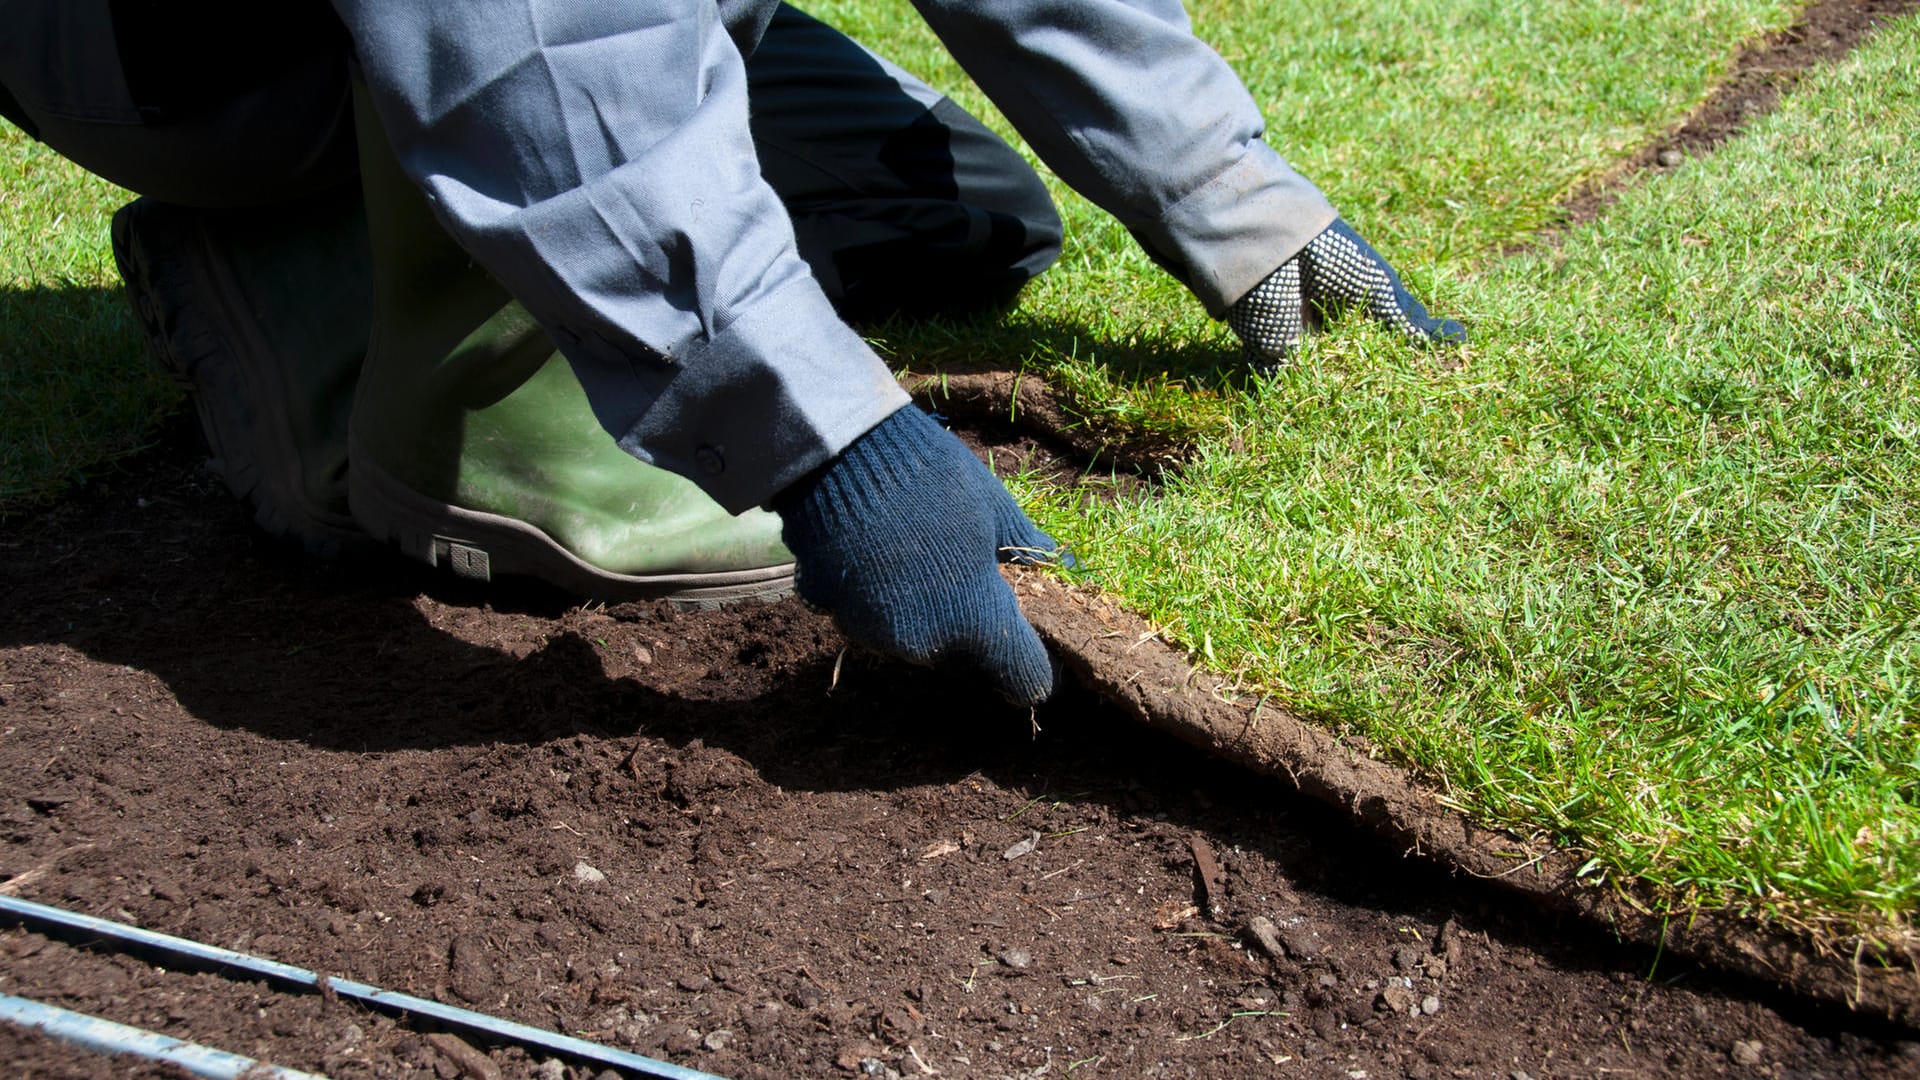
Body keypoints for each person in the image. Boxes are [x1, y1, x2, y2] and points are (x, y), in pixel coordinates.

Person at [0, 0, 1463, 707]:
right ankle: (316, 300)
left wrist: (1232, 198)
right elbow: (530, 34)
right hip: (213, 52)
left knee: (964, 218)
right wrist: (833, 442)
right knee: (600, 422)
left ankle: (484, 212)